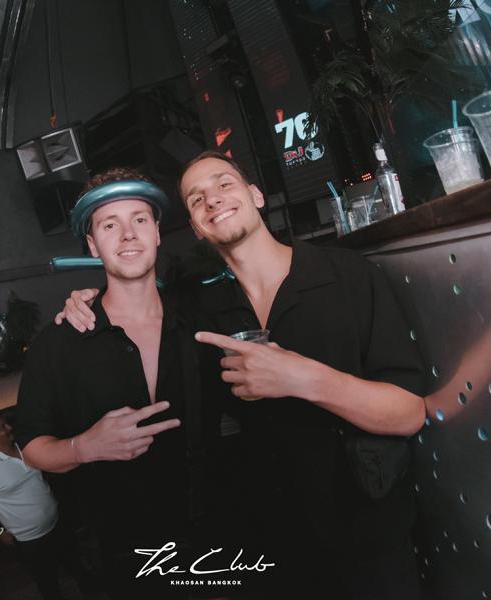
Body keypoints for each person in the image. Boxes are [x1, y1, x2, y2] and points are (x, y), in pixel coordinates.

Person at [59, 151, 427, 599]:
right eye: (197, 198)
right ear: (196, 228)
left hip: (369, 542)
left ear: (255, 195)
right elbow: (134, 297)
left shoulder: (347, 275)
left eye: (224, 184)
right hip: (272, 547)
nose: (212, 199)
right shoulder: (202, 310)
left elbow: (408, 413)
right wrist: (88, 301)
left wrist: (301, 377)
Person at [17, 168, 207, 599]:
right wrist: (83, 447)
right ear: (92, 245)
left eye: (139, 219)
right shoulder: (59, 343)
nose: (127, 235)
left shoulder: (201, 319)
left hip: (212, 540)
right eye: (109, 225)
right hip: (123, 559)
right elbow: (30, 446)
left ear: (157, 231)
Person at [0, 412, 64, 600]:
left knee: (71, 562)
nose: (10, 428)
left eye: (7, 423)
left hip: (56, 521)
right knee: (48, 582)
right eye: (2, 427)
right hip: (29, 540)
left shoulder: (25, 446)